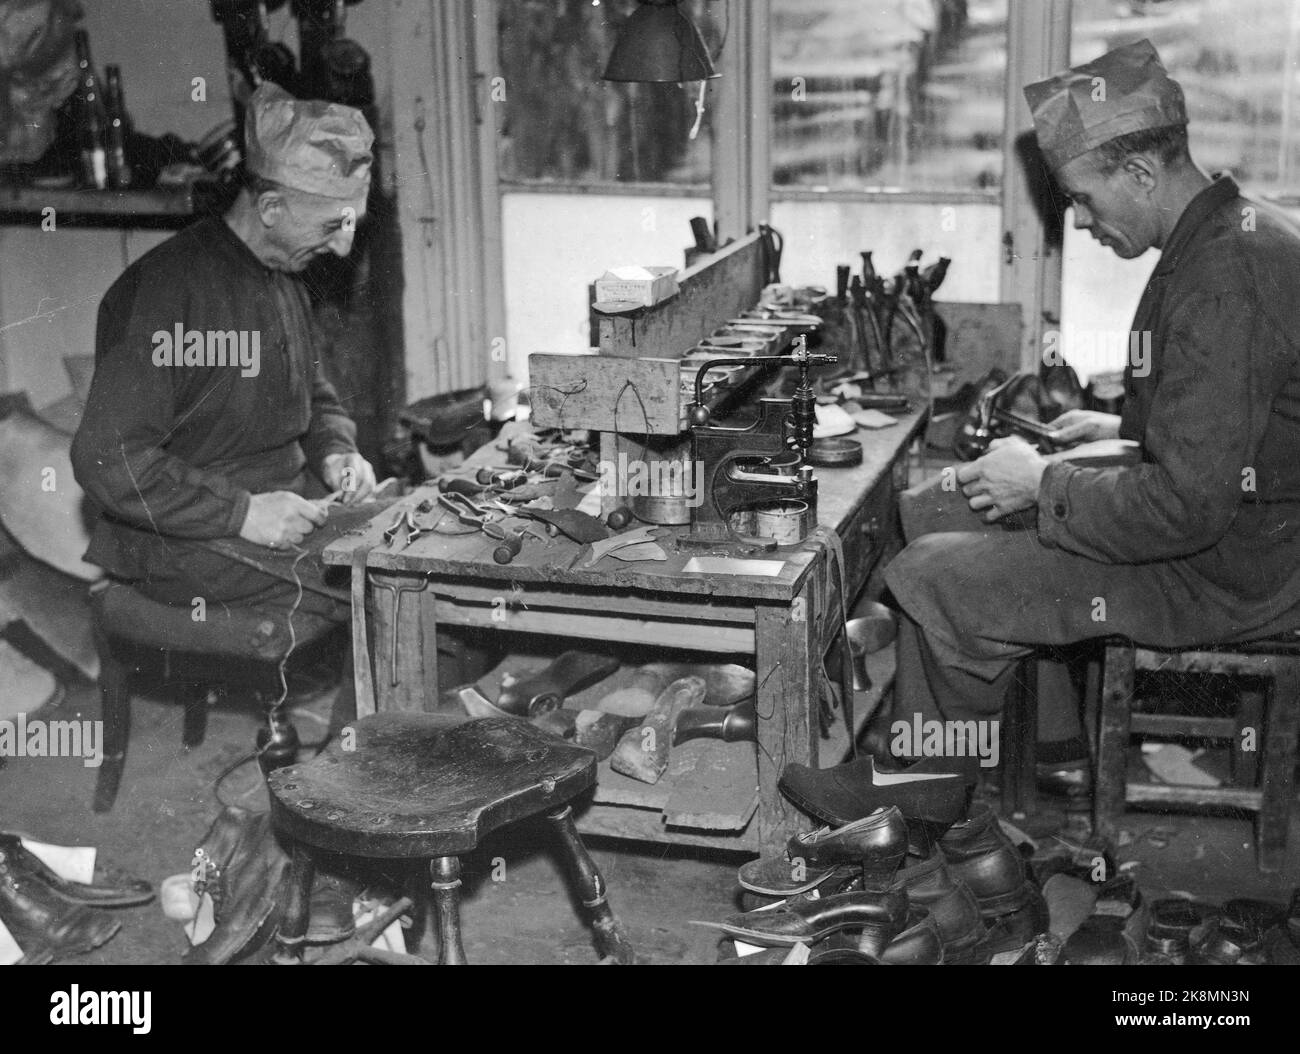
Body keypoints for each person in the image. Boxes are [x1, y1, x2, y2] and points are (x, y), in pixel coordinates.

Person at [810, 39, 1300, 800]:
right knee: (936, 504)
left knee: (936, 579)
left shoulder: (1221, 279)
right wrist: (1118, 435)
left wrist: (1045, 486)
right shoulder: (1226, 233)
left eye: (1082, 198)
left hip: (1232, 573)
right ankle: (1053, 746)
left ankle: (936, 816)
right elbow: (1245, 429)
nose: (1077, 221)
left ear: (1139, 172)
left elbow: (1186, 508)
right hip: (1243, 530)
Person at [72, 82, 378, 633]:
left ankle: (380, 720)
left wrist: (337, 453)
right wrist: (244, 512)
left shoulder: (285, 278)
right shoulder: (168, 289)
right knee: (390, 585)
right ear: (270, 206)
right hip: (183, 537)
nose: (342, 247)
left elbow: (316, 396)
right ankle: (379, 722)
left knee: (412, 540)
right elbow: (105, 457)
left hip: (279, 510)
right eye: (333, 225)